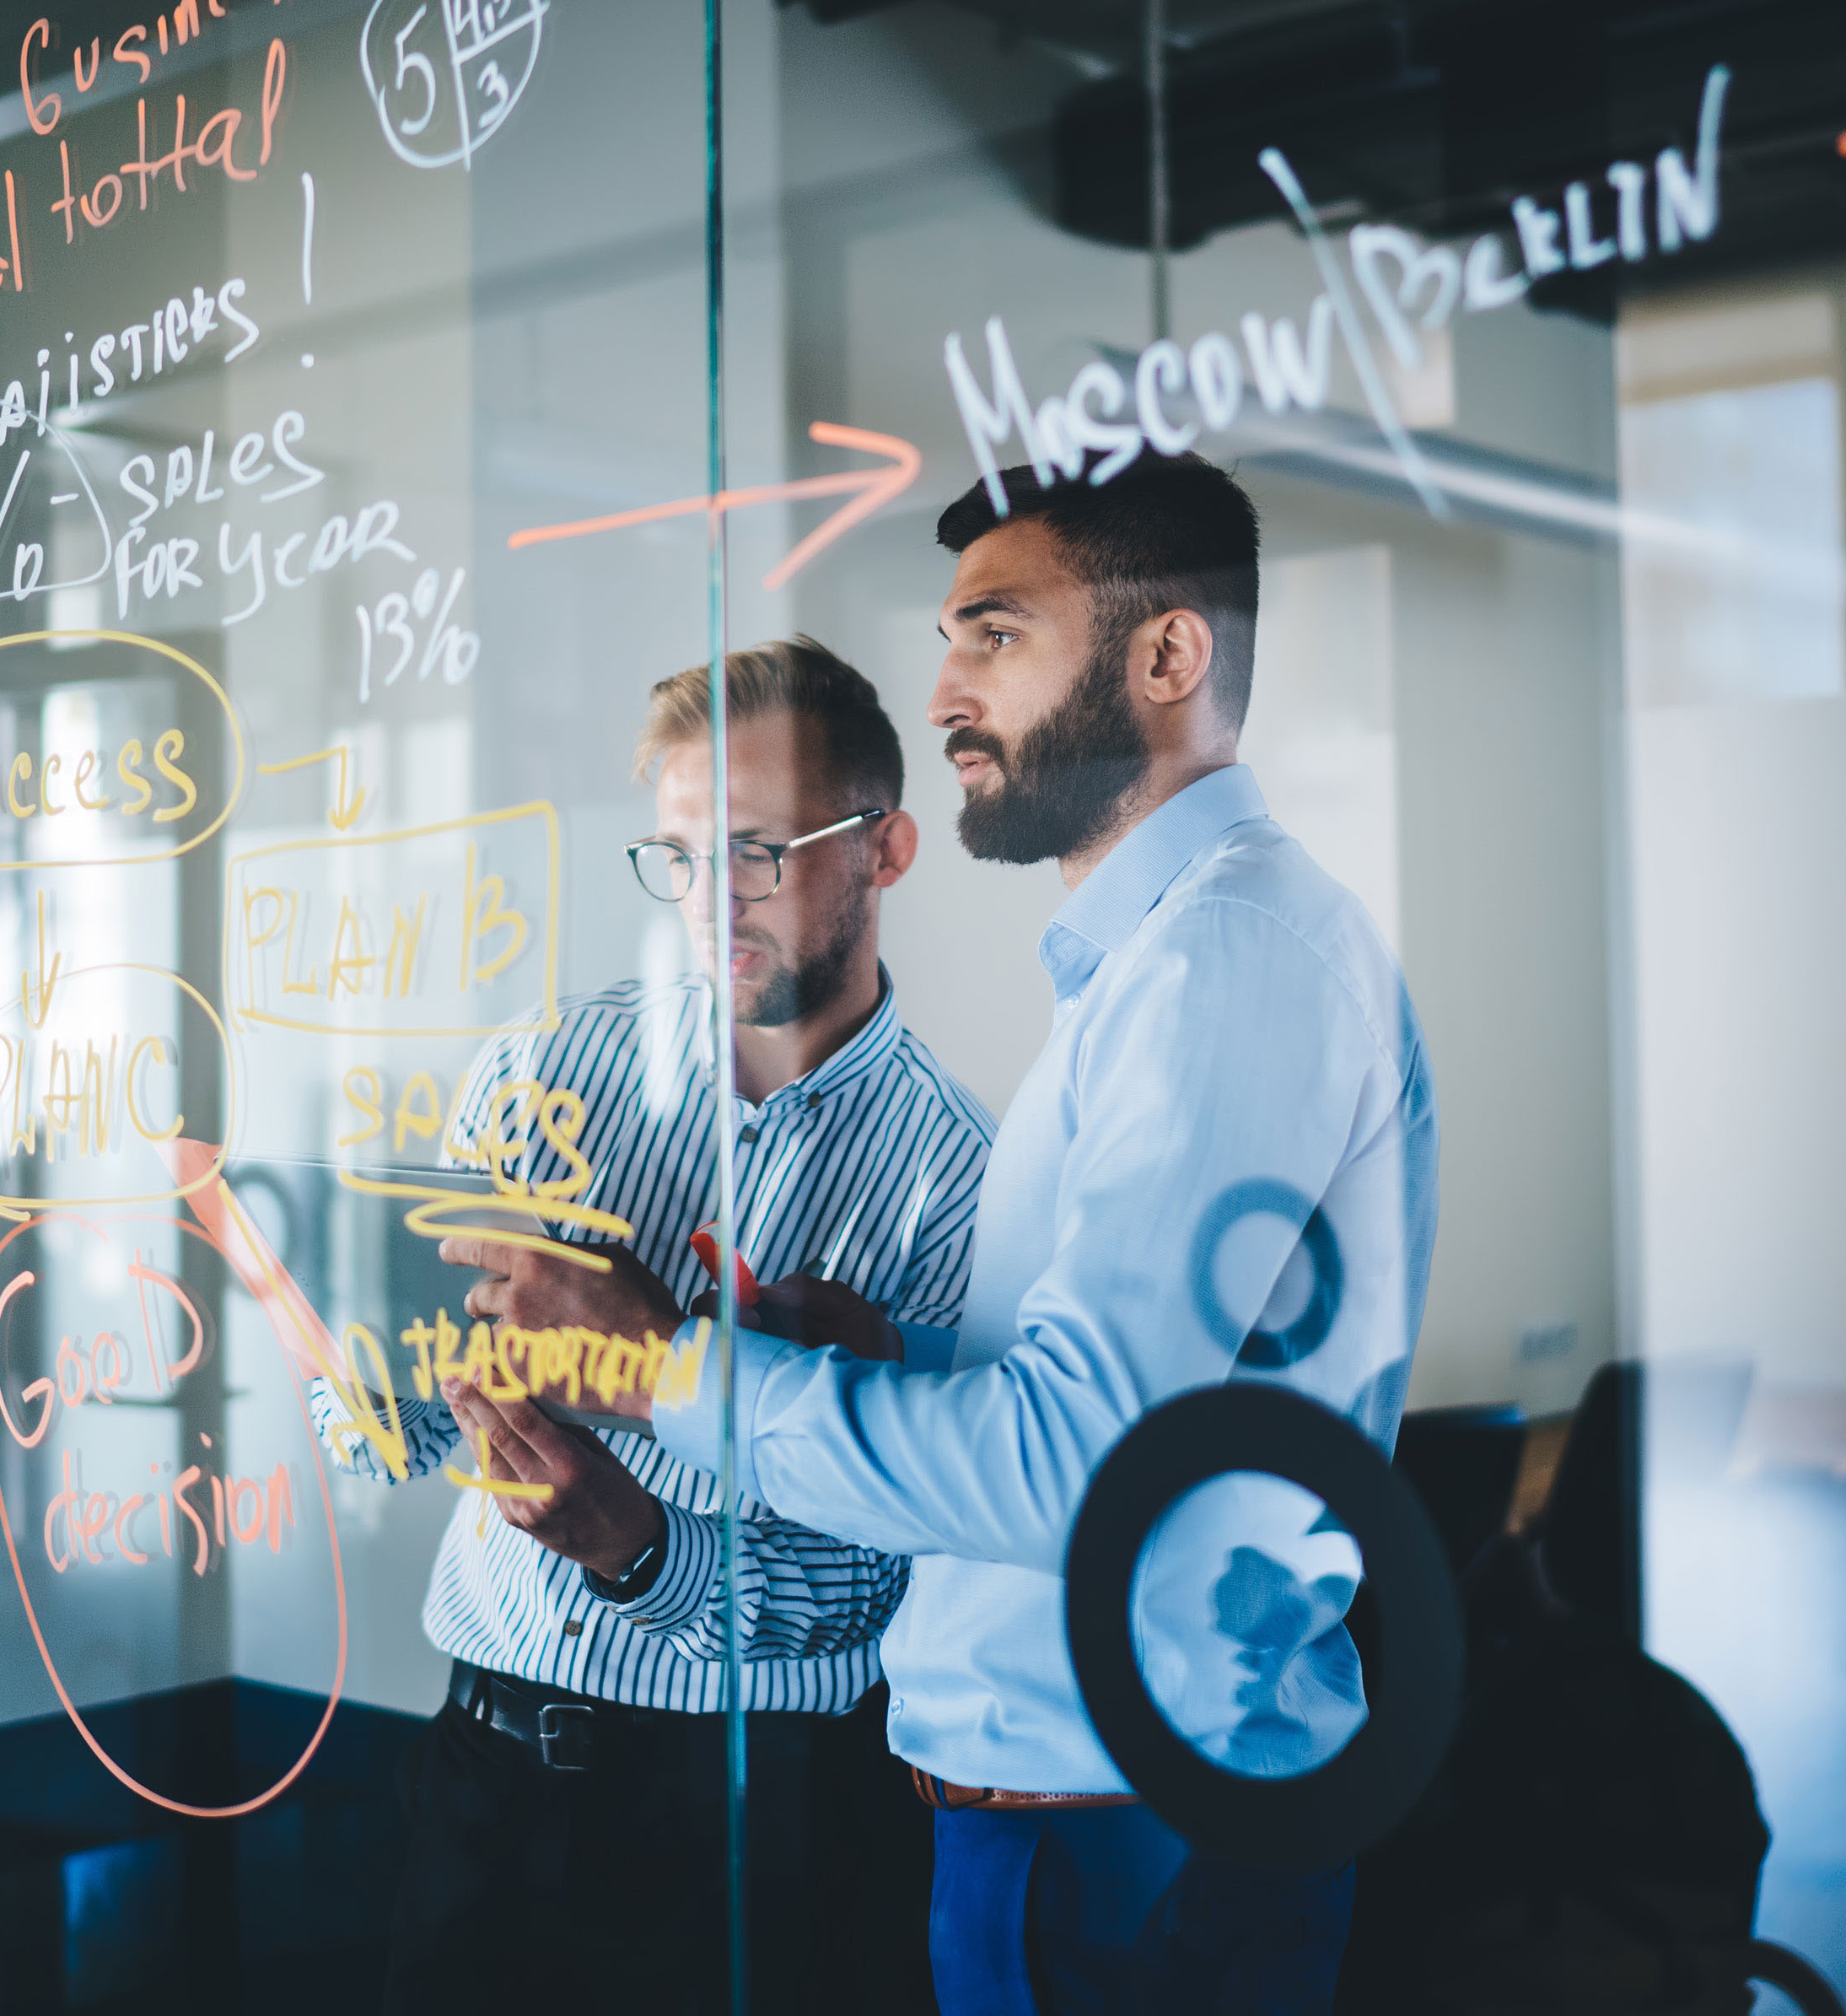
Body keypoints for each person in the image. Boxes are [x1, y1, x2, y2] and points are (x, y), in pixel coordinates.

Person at [465, 454, 1440, 2014]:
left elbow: (1079, 1469)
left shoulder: (1221, 966)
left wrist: (666, 1373)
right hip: (1089, 1829)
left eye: (994, 634)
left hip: (1129, 1841)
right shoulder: (1162, 970)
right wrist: (894, 1353)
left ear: (1167, 657)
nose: (942, 692)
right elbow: (1151, 1411)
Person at [295, 637, 995, 2016]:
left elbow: (868, 1591)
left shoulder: (956, 1177)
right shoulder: (538, 1069)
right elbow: (366, 1444)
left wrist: (636, 1546)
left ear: (887, 851)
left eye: (756, 851)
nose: (706, 900)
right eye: (677, 856)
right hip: (485, 1779)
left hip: (767, 1820)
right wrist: (387, 1370)